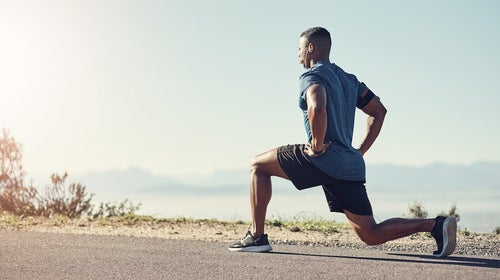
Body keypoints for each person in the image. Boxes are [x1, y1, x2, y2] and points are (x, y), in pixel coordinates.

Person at [228, 27, 456, 258]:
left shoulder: (312, 75)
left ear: (311, 48)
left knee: (257, 165)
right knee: (371, 234)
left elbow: (317, 106)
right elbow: (379, 111)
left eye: (299, 49)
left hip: (322, 158)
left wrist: (317, 145)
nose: (297, 56)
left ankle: (257, 237)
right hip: (349, 165)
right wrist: (359, 151)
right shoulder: (349, 80)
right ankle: (436, 225)